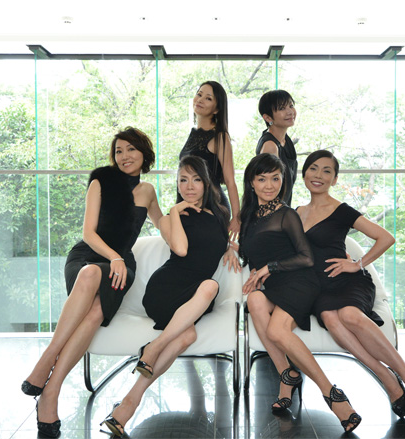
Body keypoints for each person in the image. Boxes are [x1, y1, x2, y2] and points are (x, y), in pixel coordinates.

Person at [21, 127, 163, 438]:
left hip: (120, 267)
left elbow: (165, 225)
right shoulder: (101, 181)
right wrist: (114, 257)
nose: (124, 156)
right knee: (89, 274)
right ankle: (48, 359)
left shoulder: (147, 191)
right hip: (88, 256)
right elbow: (88, 233)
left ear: (144, 153)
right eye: (118, 151)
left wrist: (194, 211)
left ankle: (50, 390)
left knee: (97, 311)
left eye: (131, 149)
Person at [296, 149, 405, 423]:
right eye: (313, 168)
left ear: (334, 179)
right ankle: (386, 378)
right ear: (304, 173)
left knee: (349, 315)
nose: (318, 175)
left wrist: (357, 264)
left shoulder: (341, 210)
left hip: (348, 282)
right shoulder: (296, 213)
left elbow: (385, 237)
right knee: (331, 317)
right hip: (318, 288)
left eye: (327, 171)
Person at [100, 155, 240, 438]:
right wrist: (175, 212)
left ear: (206, 183)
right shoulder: (168, 218)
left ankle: (129, 402)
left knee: (188, 335)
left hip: (195, 296)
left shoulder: (221, 214)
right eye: (183, 180)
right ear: (177, 184)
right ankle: (154, 348)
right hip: (165, 289)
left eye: (196, 179)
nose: (189, 186)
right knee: (210, 287)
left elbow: (226, 241)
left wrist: (230, 248)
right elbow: (181, 249)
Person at [238, 153, 362, 434]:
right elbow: (252, 251)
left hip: (300, 282)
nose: (270, 185)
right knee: (254, 299)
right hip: (274, 286)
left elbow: (306, 258)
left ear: (283, 181)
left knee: (277, 330)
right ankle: (287, 375)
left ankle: (331, 393)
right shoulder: (249, 217)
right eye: (262, 179)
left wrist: (268, 267)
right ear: (251, 182)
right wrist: (237, 255)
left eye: (275, 178)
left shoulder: (286, 214)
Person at [179, 81, 241, 238]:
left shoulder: (220, 137)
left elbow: (230, 181)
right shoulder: (193, 133)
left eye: (208, 98)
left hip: (212, 206)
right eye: (199, 94)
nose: (200, 100)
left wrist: (236, 217)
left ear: (217, 109)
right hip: (189, 205)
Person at [255, 90, 298, 205]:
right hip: (271, 209)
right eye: (282, 108)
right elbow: (266, 188)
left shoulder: (286, 140)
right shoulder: (270, 146)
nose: (290, 112)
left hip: (282, 207)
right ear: (268, 118)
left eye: (291, 106)